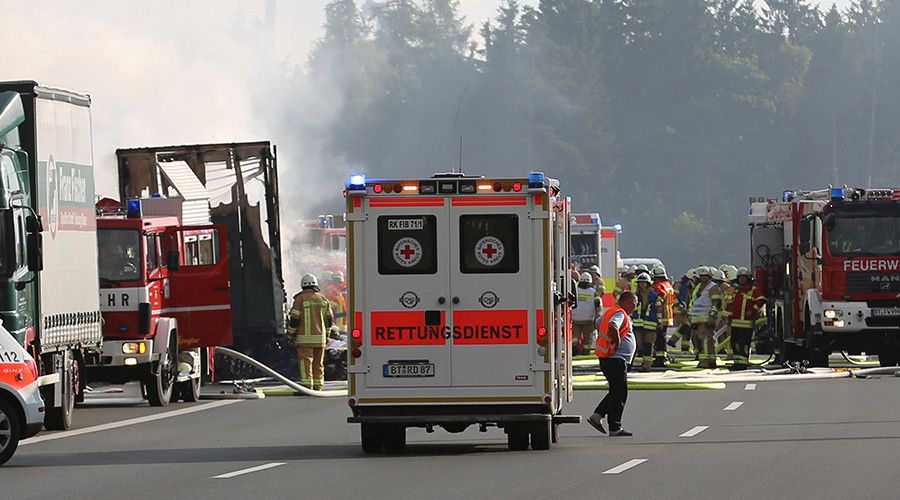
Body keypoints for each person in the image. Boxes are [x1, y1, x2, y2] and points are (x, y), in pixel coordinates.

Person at [587, 291, 637, 437]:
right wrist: (616, 341)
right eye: (634, 303)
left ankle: (597, 416)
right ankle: (615, 427)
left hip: (610, 358)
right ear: (627, 301)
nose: (635, 306)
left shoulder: (611, 311)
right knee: (620, 393)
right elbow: (612, 326)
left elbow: (598, 323)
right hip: (615, 358)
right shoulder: (619, 313)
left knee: (617, 391)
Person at [287, 273, 334, 391]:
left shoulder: (300, 299)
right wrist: (327, 335)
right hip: (320, 339)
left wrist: (290, 334)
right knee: (319, 363)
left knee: (305, 362)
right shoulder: (323, 299)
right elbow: (329, 320)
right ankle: (318, 386)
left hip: (304, 340)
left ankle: (307, 386)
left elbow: (294, 319)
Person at [726, 267, 765, 370]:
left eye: (744, 277)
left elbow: (761, 300)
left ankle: (743, 363)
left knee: (744, 343)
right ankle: (737, 362)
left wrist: (752, 311)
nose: (742, 279)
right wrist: (729, 317)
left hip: (746, 323)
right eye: (740, 278)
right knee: (734, 343)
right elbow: (732, 305)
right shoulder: (737, 290)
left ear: (748, 278)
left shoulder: (753, 290)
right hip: (735, 322)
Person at [690, 267, 719, 369]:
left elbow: (717, 303)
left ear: (710, 276)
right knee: (702, 340)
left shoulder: (713, 287)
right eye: (701, 276)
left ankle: (705, 361)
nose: (703, 278)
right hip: (697, 318)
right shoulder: (699, 287)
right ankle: (711, 360)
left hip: (706, 318)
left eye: (705, 276)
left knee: (705, 340)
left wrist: (712, 316)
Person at [632, 273, 658, 371]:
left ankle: (646, 365)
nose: (642, 285)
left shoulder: (655, 296)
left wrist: (660, 322)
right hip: (638, 322)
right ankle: (629, 364)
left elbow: (659, 309)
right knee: (636, 344)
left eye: (644, 282)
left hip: (650, 323)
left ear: (648, 283)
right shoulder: (635, 296)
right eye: (640, 283)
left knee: (648, 345)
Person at [572, 272, 601, 355]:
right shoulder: (593, 292)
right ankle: (585, 353)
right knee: (587, 340)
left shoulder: (575, 290)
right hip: (589, 320)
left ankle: (574, 353)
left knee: (575, 338)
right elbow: (598, 305)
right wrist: (597, 316)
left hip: (575, 319)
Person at [651, 266, 674, 367]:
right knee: (662, 336)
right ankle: (662, 355)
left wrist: (658, 317)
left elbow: (658, 302)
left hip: (661, 314)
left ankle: (660, 358)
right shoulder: (668, 284)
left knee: (659, 337)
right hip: (668, 313)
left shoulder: (658, 286)